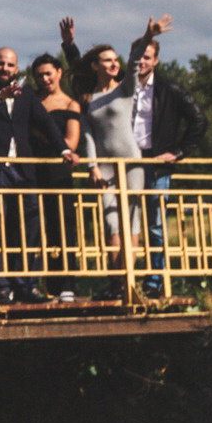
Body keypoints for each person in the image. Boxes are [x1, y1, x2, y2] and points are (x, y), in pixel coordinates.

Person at [0, 23, 68, 306]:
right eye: (0, 63)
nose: (5, 68)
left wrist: (64, 149)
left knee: (30, 226)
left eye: (10, 65)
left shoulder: (25, 94)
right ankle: (1, 286)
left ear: (17, 68)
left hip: (22, 169)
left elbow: (44, 121)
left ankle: (26, 285)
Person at [64, 15, 156, 302]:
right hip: (104, 167)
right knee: (111, 223)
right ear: (95, 65)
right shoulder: (89, 98)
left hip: (130, 163)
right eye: (106, 60)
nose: (113, 63)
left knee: (132, 221)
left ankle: (127, 282)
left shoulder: (126, 88)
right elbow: (89, 136)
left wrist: (145, 35)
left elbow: (132, 64)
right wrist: (92, 166)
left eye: (115, 59)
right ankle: (116, 281)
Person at [128, 18, 203, 297]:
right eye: (138, 57)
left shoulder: (169, 90)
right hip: (127, 162)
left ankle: (154, 281)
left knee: (155, 224)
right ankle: (122, 280)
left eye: (147, 57)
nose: (142, 62)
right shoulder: (122, 87)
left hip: (156, 164)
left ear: (156, 61)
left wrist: (179, 152)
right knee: (123, 221)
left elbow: (199, 121)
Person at [29, 52, 84, 300]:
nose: (44, 79)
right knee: (33, 227)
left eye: (48, 73)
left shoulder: (70, 104)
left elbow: (71, 142)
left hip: (58, 172)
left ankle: (66, 285)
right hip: (31, 171)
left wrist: (45, 136)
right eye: (39, 75)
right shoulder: (31, 101)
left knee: (63, 227)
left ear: (59, 73)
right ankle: (36, 285)